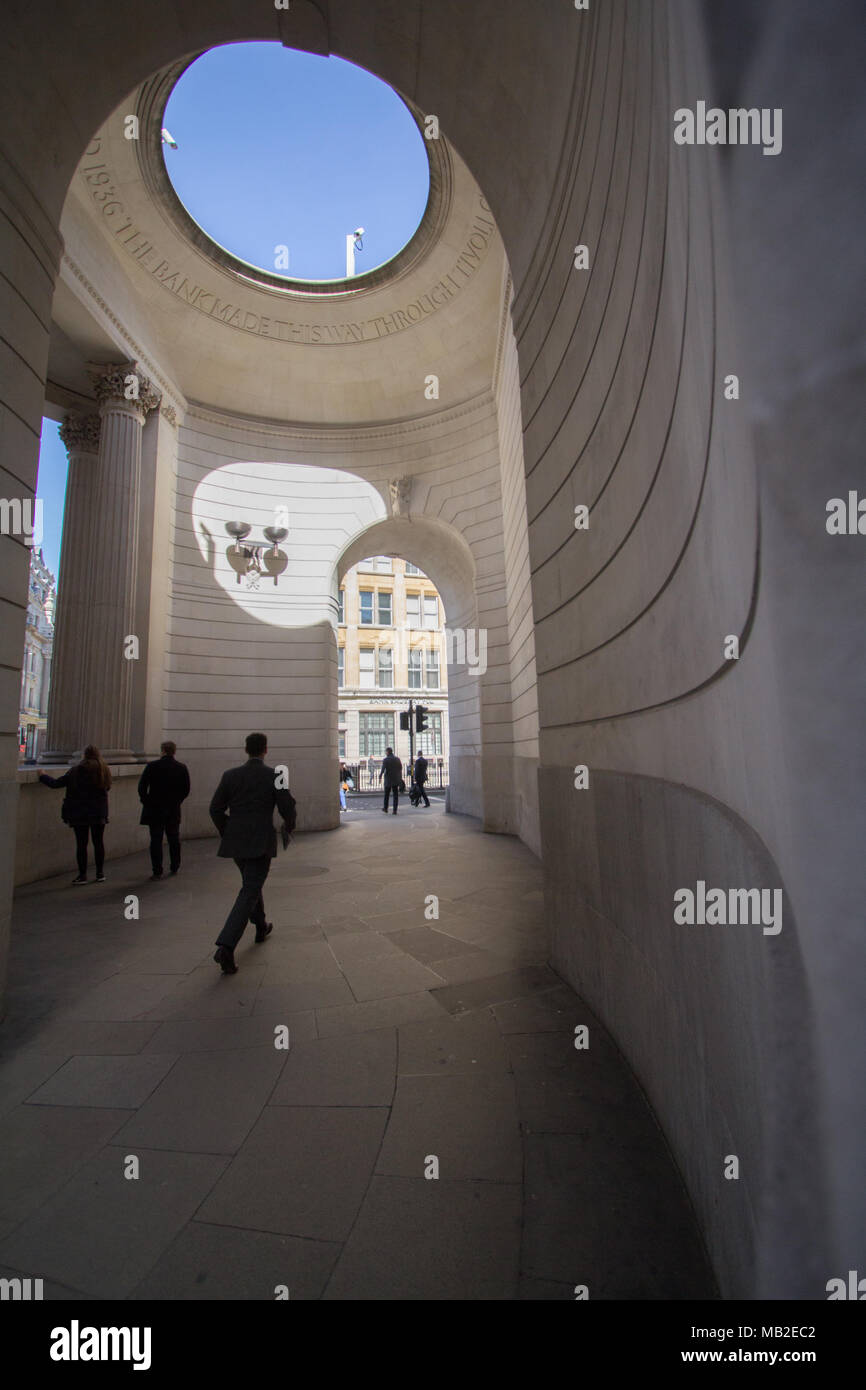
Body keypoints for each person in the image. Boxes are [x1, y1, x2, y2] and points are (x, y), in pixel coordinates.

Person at [209, 732, 296, 974]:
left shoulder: (230, 776)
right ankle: (226, 946)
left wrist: (229, 830)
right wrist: (289, 826)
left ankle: (260, 926)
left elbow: (215, 809)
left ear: (246, 749)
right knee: (250, 889)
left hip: (237, 843)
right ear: (265, 750)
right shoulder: (275, 775)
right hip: (260, 841)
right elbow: (287, 806)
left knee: (251, 884)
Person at [38, 745, 112, 885]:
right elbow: (107, 787)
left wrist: (42, 776)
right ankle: (100, 873)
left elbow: (56, 784)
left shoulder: (76, 771)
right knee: (98, 843)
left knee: (82, 844)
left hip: (80, 812)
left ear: (84, 755)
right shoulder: (104, 771)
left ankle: (82, 875)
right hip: (98, 812)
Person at [138, 740, 191, 879]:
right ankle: (175, 865)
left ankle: (157, 870)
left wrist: (147, 801)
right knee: (173, 838)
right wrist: (177, 801)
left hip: (155, 809)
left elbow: (142, 787)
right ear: (174, 751)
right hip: (173, 809)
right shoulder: (181, 767)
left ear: (162, 750)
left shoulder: (152, 766)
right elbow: (186, 789)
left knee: (156, 839)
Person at [379, 745, 403, 815]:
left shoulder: (386, 760)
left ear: (387, 752)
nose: (385, 753)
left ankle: (385, 808)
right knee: (395, 795)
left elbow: (383, 769)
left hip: (388, 779)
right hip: (395, 778)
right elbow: (400, 768)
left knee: (386, 794)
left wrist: (380, 776)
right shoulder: (397, 759)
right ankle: (395, 810)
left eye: (386, 752)